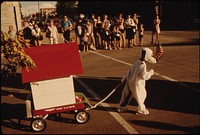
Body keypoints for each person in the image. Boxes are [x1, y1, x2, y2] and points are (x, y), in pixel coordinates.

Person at [118, 47, 157, 115]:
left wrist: (124, 78)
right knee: (141, 95)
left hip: (130, 80)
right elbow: (144, 76)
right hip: (137, 83)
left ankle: (122, 107)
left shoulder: (137, 62)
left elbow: (129, 71)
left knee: (127, 95)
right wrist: (150, 72)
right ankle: (141, 109)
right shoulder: (143, 65)